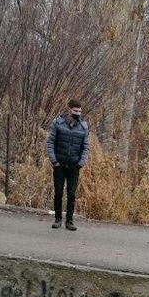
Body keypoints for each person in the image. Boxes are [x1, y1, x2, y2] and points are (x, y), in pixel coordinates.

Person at [46, 99, 90, 231]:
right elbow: (50, 142)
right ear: (69, 109)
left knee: (71, 194)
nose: (78, 113)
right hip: (59, 164)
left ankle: (69, 221)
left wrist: (80, 163)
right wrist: (54, 161)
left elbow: (85, 147)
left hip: (74, 165)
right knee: (58, 192)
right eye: (75, 110)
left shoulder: (83, 126)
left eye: (79, 111)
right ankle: (58, 219)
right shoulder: (58, 123)